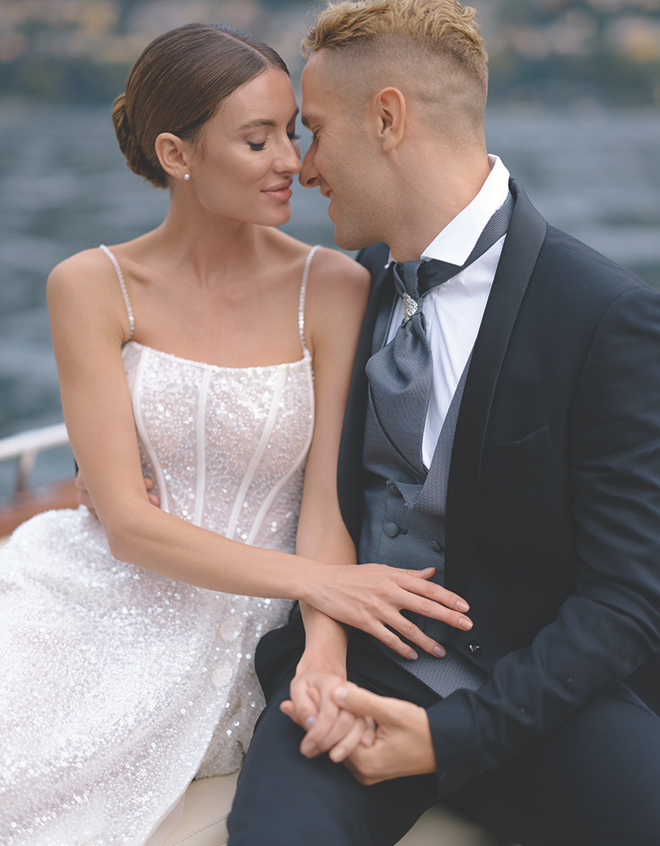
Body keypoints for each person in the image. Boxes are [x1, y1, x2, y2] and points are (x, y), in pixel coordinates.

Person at [0, 22, 475, 846]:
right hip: (100, 585)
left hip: (254, 622)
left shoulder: (332, 284)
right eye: (258, 141)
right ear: (177, 156)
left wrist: (322, 645)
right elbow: (123, 517)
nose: (293, 162)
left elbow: (325, 503)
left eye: (292, 133)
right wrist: (321, 584)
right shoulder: (88, 285)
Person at [226, 2, 660, 844]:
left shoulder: (606, 315)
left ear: (388, 118)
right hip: (344, 681)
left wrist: (447, 736)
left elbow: (626, 600)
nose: (304, 168)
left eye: (314, 130)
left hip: (532, 691)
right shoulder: (342, 288)